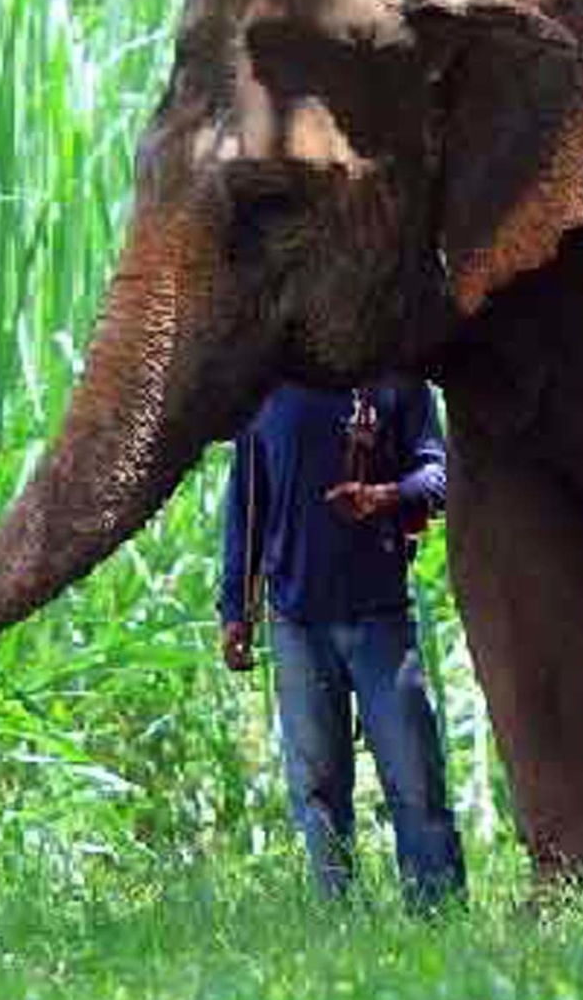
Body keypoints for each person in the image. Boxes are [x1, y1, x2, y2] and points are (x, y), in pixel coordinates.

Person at [218, 378, 466, 907]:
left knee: (415, 781)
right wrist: (234, 611)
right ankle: (340, 918)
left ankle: (439, 915)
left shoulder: (395, 376)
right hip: (295, 624)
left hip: (381, 618)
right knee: (317, 791)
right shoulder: (270, 383)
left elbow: (440, 476)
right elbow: (246, 504)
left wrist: (385, 497)